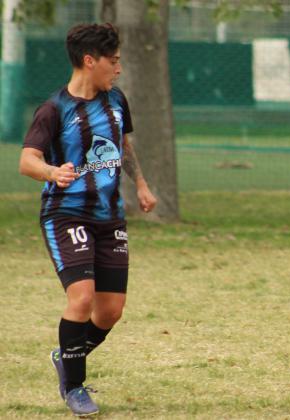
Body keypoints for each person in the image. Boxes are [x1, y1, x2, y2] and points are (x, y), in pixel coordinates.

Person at [18, 23, 157, 417]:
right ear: (89, 61)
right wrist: (51, 173)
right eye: (113, 62)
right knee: (81, 297)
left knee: (110, 310)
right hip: (65, 215)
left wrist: (142, 185)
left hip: (109, 217)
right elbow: (26, 160)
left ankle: (66, 356)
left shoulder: (116, 100)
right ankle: (75, 387)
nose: (119, 69)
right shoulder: (54, 109)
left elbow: (122, 145)